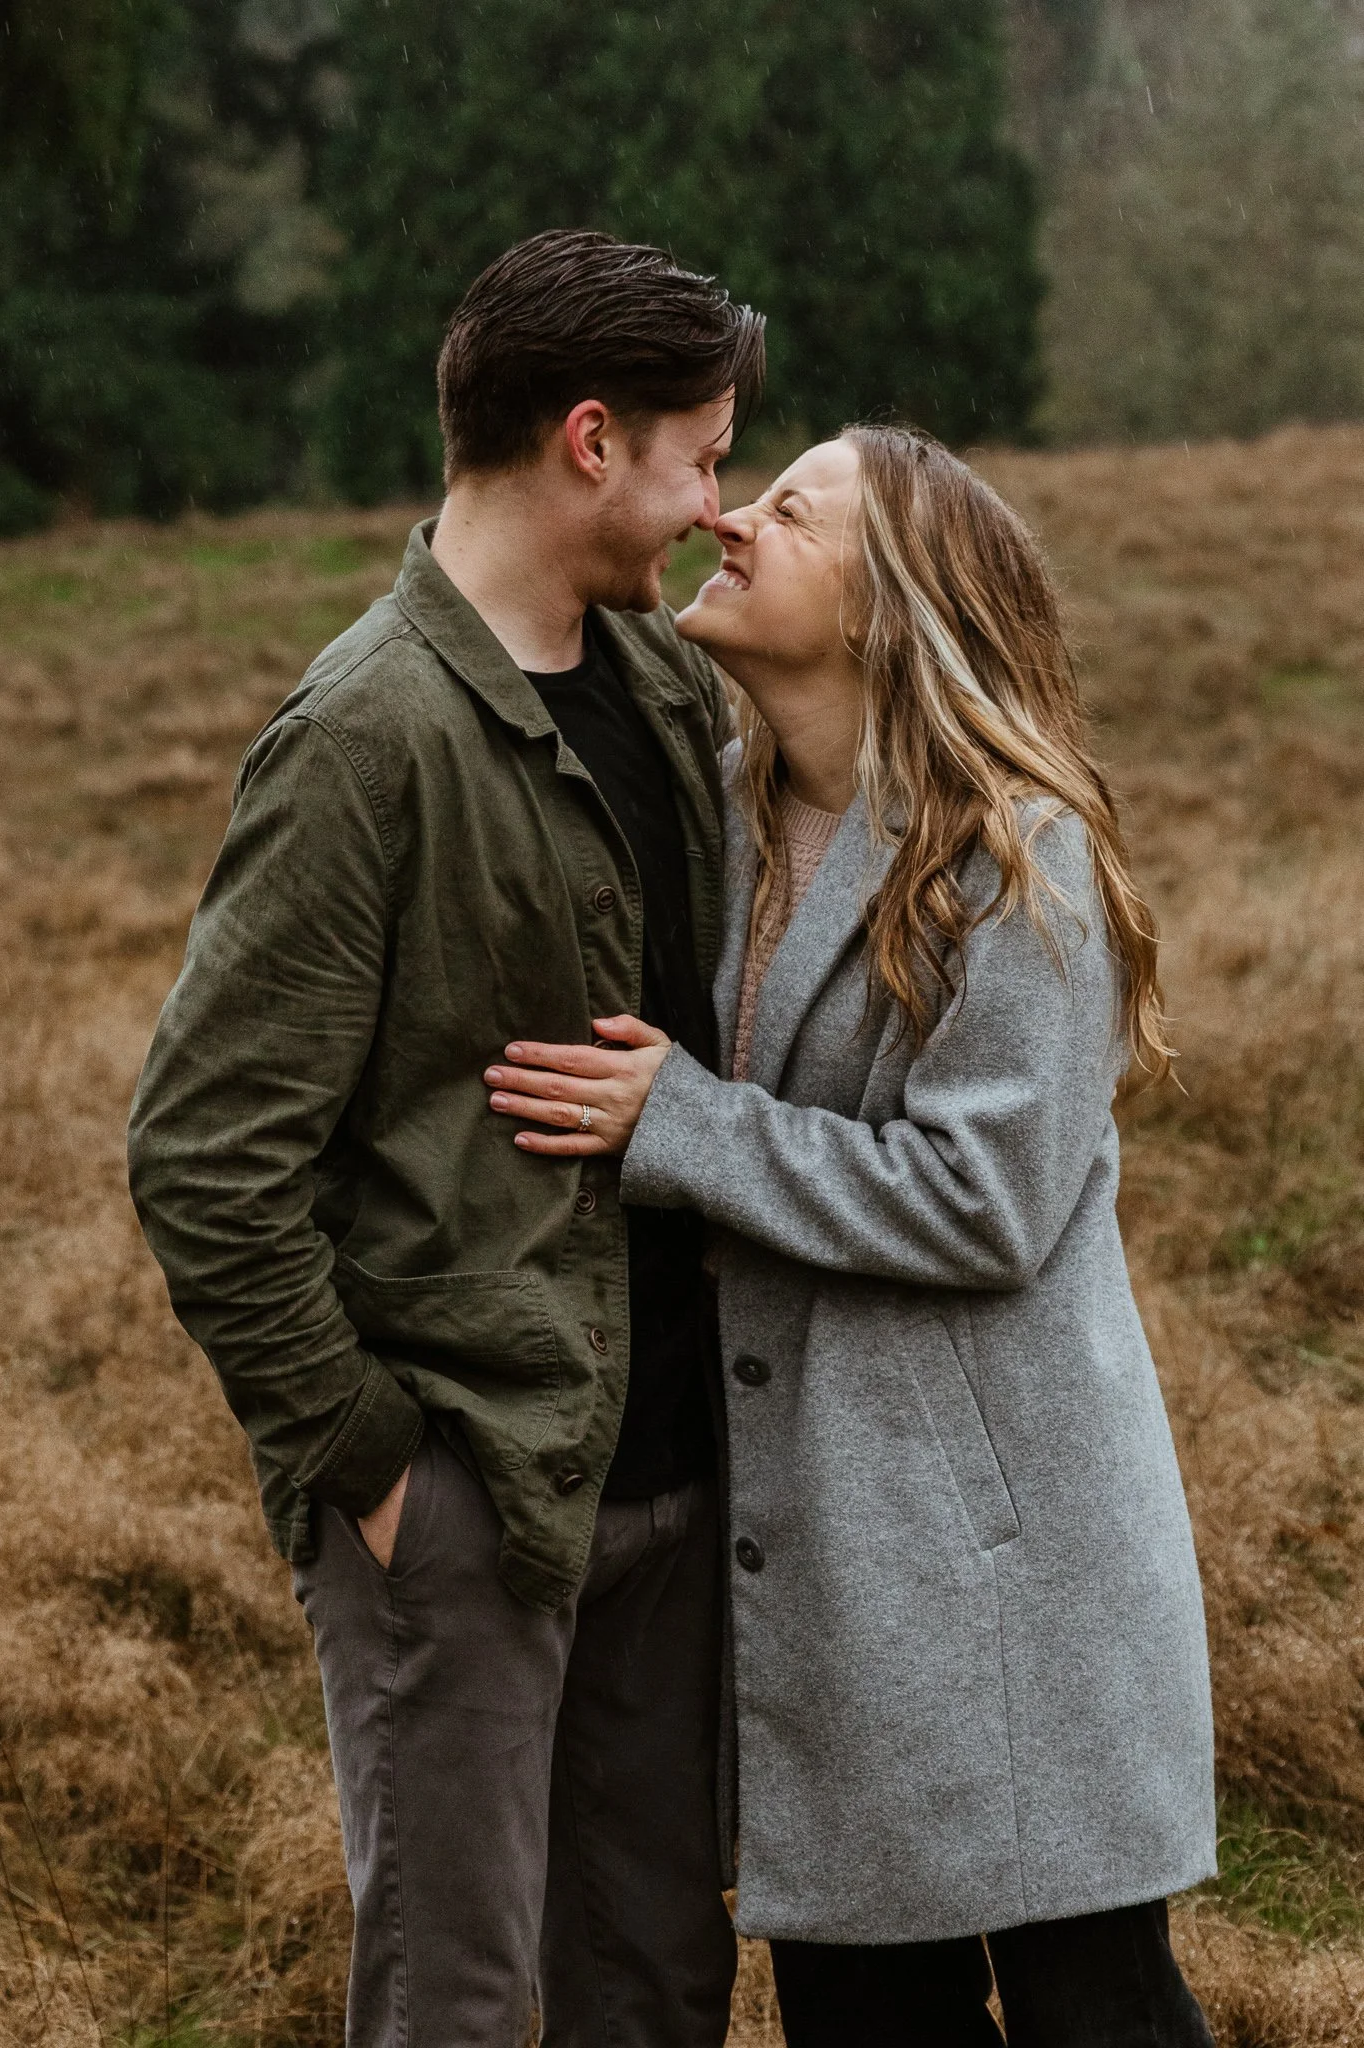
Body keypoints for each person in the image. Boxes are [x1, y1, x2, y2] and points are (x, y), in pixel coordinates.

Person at [484, 427, 1219, 2046]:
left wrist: (679, 1125)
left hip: (1006, 1580)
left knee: (1096, 2002)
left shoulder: (1018, 858)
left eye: (791, 508)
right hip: (822, 1570)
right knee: (866, 2012)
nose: (734, 521)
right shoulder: (722, 819)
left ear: (890, 608)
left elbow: (990, 1200)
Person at [127, 228, 765, 2048]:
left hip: (666, 1470)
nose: (717, 507)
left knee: (654, 1987)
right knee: (460, 2005)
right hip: (469, 1500)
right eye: (700, 456)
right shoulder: (362, 737)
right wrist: (384, 1470)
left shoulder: (656, 687)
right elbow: (203, 1156)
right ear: (590, 440)